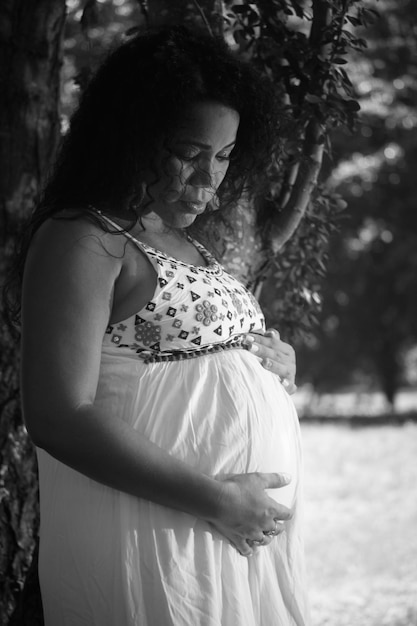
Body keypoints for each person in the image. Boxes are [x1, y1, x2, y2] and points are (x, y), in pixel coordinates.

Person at [16, 26, 309, 625]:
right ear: (131, 138)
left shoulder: (175, 238)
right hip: (160, 531)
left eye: (224, 156)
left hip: (229, 535)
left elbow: (202, 357)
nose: (209, 180)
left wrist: (273, 365)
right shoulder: (83, 238)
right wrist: (219, 499)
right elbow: (57, 413)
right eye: (188, 154)